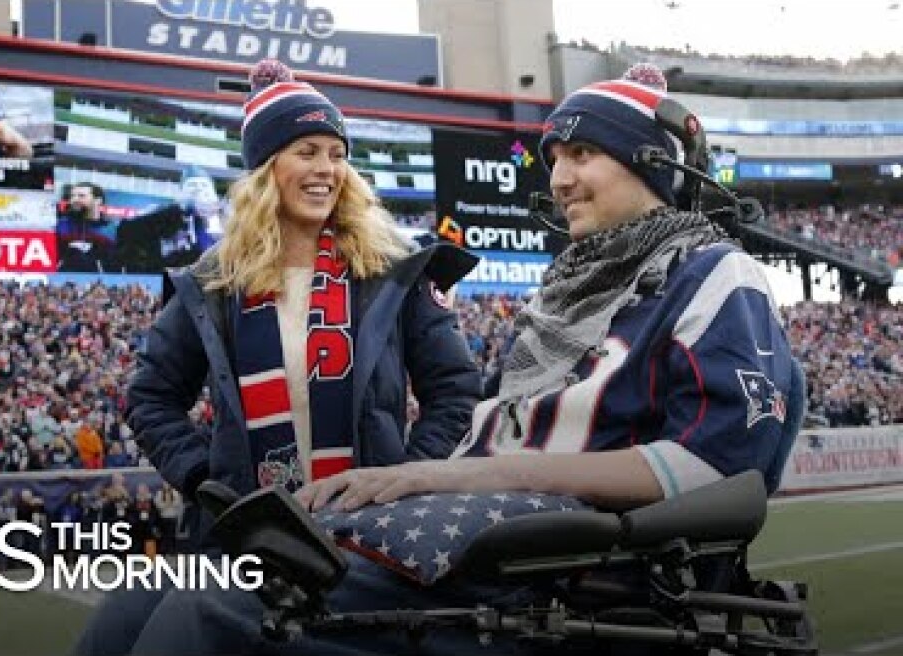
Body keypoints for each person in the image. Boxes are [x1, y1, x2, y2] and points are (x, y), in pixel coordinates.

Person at [119, 65, 798, 656]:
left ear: (651, 161)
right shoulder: (566, 294)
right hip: (464, 526)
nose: (558, 179)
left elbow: (721, 465)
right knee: (135, 606)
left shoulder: (715, 275)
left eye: (583, 153)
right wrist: (426, 479)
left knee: (213, 610)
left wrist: (428, 475)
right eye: (554, 158)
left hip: (536, 559)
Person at [74, 58, 481, 655]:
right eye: (307, 151)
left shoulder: (393, 271)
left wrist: (405, 482)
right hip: (245, 540)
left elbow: (456, 392)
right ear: (267, 169)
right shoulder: (212, 283)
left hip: (368, 540)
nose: (326, 170)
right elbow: (151, 397)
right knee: (116, 635)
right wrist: (207, 481)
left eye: (336, 153)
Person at [57, 182, 120, 273]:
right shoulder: (61, 225)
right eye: (72, 196)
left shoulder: (110, 229)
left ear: (98, 200)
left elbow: (113, 263)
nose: (74, 199)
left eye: (81, 196)